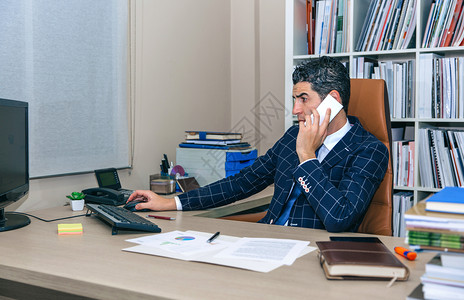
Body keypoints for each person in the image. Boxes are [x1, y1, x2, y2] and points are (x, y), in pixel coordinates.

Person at [128, 56, 389, 232]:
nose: (295, 109)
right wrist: (171, 202)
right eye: (294, 99)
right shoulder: (292, 137)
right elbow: (242, 182)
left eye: (303, 99)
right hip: (269, 242)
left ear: (333, 100)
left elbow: (340, 218)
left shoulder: (368, 150)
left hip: (316, 256)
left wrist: (307, 156)